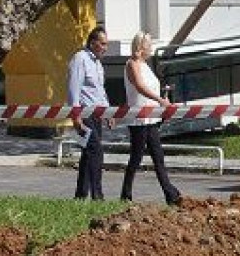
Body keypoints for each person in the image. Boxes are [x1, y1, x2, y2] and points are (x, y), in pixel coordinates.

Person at [121, 32, 182, 205]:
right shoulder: (132, 64)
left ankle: (170, 193)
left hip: (151, 118)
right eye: (148, 44)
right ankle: (126, 193)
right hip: (139, 118)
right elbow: (139, 86)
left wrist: (163, 98)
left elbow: (151, 88)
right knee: (136, 157)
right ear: (141, 46)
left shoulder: (145, 65)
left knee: (158, 156)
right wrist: (159, 100)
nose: (151, 47)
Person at [69, 25, 110, 201]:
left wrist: (108, 112)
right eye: (103, 44)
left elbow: (100, 90)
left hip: (97, 115)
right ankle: (97, 196)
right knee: (96, 151)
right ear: (93, 43)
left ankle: (80, 195)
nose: (105, 48)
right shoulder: (81, 59)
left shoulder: (98, 63)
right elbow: (73, 88)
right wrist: (75, 115)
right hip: (85, 114)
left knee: (88, 154)